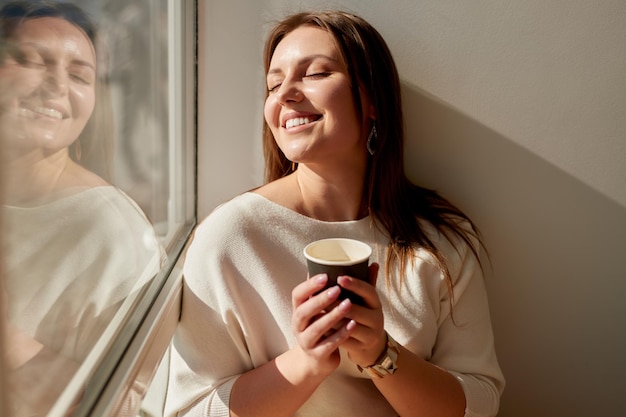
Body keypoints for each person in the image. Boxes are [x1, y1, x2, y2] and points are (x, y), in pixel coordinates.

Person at [166, 10, 504, 417]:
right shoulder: (230, 237)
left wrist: (381, 354)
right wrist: (306, 363)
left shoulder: (439, 240)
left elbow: (480, 403)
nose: (285, 93)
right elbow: (192, 409)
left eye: (315, 74)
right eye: (274, 84)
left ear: (373, 99)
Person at [0, 1, 164, 415]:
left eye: (78, 76)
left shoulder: (113, 235)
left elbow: (132, 407)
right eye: (31, 61)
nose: (57, 85)